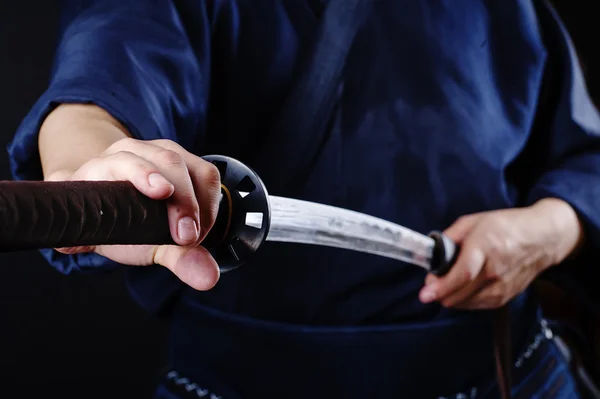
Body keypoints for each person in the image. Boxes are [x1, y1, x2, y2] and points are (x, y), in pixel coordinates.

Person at [7, 0, 600, 397]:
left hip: (505, 370)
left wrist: (545, 232)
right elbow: (102, 73)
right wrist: (93, 161)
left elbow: (587, 162)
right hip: (247, 375)